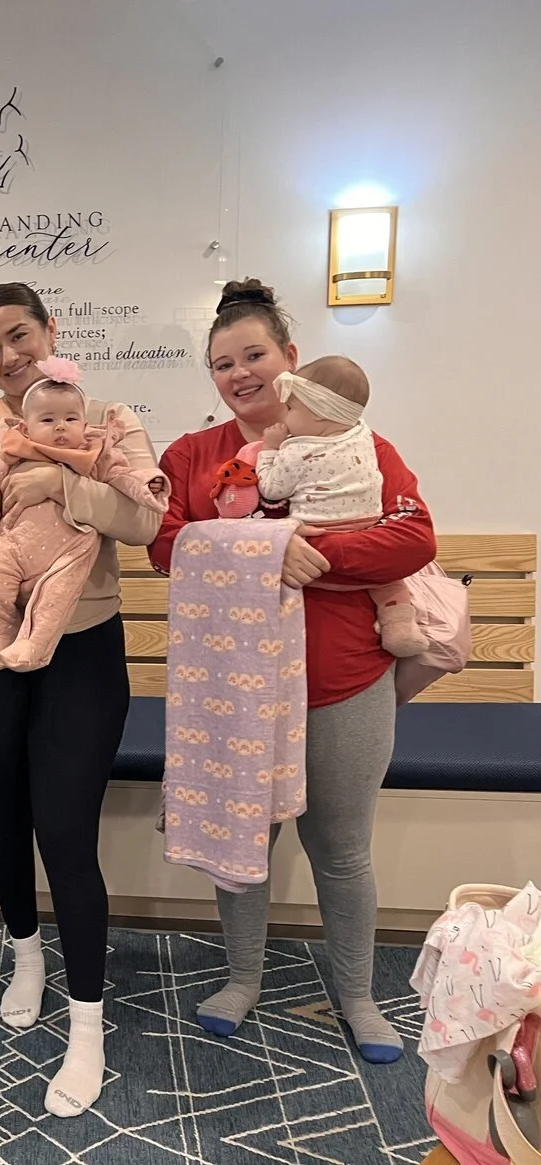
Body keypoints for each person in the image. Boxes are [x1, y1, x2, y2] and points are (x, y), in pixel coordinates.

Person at [149, 277, 436, 1064]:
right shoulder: (193, 454)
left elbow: (414, 538)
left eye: (254, 355)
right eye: (222, 363)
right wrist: (268, 551)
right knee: (244, 839)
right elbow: (166, 545)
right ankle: (243, 978)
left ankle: (357, 994)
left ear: (290, 360)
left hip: (346, 679)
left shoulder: (358, 443)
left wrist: (314, 553)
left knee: (342, 849)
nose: (239, 373)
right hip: (236, 687)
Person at [0, 282, 166, 1118]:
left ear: (51, 331)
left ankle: (87, 1026)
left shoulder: (110, 419)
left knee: (66, 828)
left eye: (18, 335)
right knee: (5, 805)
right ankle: (26, 953)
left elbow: (141, 521)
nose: (8, 356)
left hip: (82, 647)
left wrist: (58, 489)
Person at [0, 355, 168, 671]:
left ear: (84, 423)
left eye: (71, 419)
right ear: (26, 426)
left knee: (54, 602)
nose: (60, 427)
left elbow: (122, 477)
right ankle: (0, 637)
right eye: (48, 420)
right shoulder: (11, 452)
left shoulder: (92, 453)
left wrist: (148, 486)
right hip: (11, 544)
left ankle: (33, 648)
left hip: (71, 549)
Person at [250, 355, 428, 657]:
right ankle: (399, 627)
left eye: (291, 408)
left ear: (319, 414)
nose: (286, 415)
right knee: (389, 584)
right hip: (367, 529)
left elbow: (271, 487)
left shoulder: (297, 450)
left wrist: (269, 451)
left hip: (314, 538)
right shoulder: (365, 438)